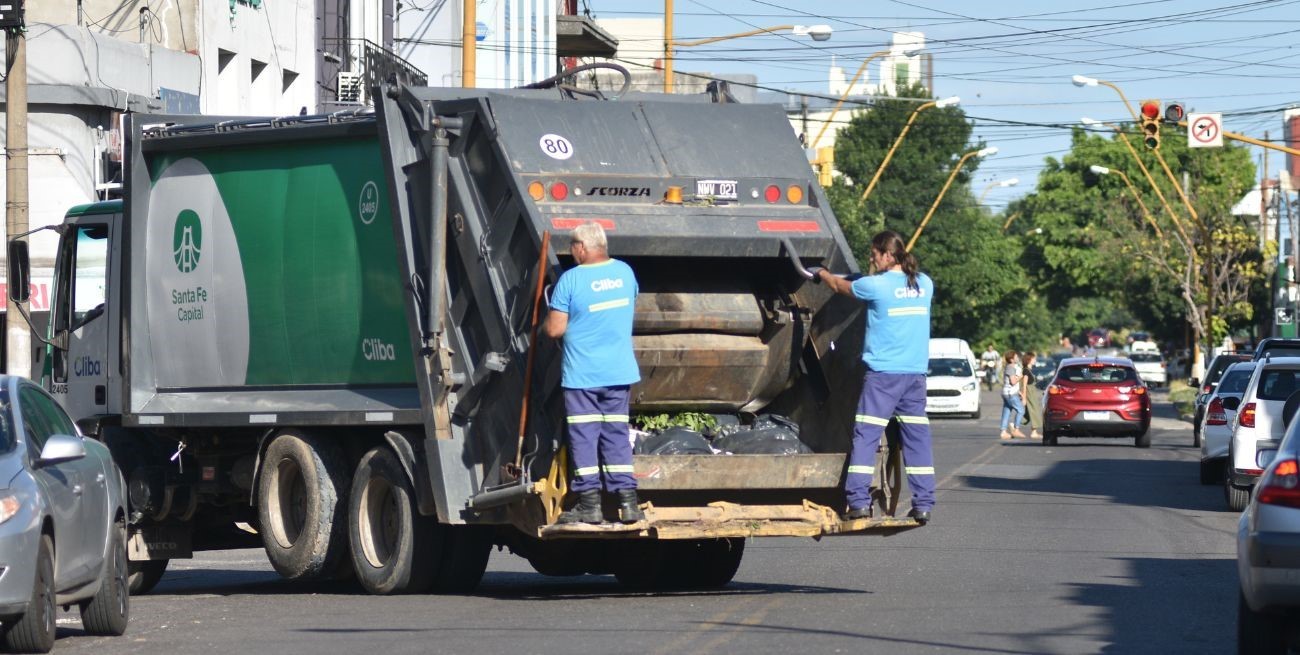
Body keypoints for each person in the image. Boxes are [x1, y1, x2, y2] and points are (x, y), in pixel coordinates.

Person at [810, 230, 936, 525]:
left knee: (865, 437)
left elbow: (841, 287)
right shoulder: (924, 284)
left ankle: (858, 502)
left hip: (883, 377)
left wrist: (822, 272)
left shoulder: (876, 287)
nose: (871, 258)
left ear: (888, 255)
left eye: (874, 253)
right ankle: (924, 504)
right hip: (915, 377)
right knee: (917, 439)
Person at [543, 222, 644, 525]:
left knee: (585, 437)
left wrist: (543, 324)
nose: (571, 252)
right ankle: (628, 503)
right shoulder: (626, 273)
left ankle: (590, 505)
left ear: (582, 248)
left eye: (573, 246)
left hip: (583, 376)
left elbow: (555, 329)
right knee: (616, 435)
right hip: (619, 372)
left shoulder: (571, 281)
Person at [999, 350, 1026, 440]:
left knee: (1006, 412)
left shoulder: (1009, 367)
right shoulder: (1011, 368)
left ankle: (1003, 432)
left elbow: (1009, 383)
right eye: (1015, 357)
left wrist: (1019, 393)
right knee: (1021, 410)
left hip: (1007, 392)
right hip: (1010, 394)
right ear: (1011, 359)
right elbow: (1013, 382)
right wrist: (1021, 377)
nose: (1017, 358)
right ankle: (1016, 429)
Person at [1021, 352, 1043, 440]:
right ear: (1029, 359)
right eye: (1034, 359)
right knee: (1034, 411)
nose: (1035, 360)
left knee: (1028, 412)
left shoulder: (1029, 370)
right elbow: (1024, 384)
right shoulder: (1026, 370)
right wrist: (1024, 396)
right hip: (1029, 393)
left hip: (1032, 393)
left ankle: (1014, 424)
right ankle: (1034, 432)